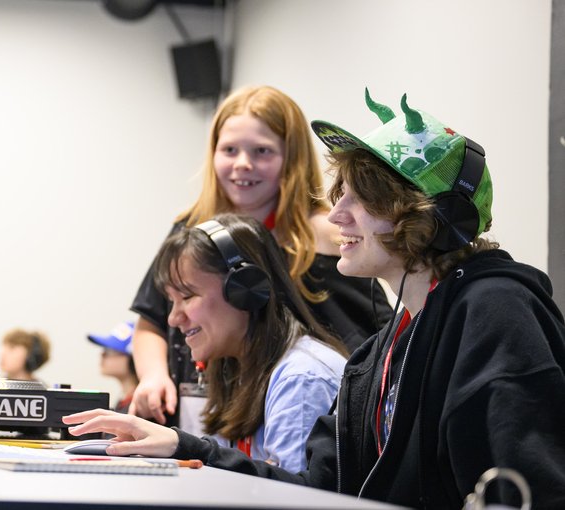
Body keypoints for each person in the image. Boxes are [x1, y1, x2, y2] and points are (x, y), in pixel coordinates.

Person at [64, 90, 565, 509]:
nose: (337, 214)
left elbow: (530, 489)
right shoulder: (378, 356)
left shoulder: (495, 311)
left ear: (433, 216)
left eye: (360, 200)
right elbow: (318, 491)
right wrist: (180, 447)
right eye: (338, 194)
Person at [130, 85, 393, 425]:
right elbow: (150, 322)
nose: (243, 164)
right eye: (229, 150)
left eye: (262, 151)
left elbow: (374, 333)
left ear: (292, 158)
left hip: (286, 419)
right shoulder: (190, 229)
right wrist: (153, 376)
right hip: (200, 416)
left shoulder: (325, 236)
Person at [147, 213, 347, 471]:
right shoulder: (236, 369)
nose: (174, 318)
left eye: (187, 296)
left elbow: (293, 500)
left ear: (244, 290)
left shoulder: (301, 379)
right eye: (171, 301)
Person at [87, 322, 139, 414]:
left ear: (133, 359)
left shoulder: (143, 407)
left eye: (110, 350)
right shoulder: (124, 401)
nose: (102, 355)